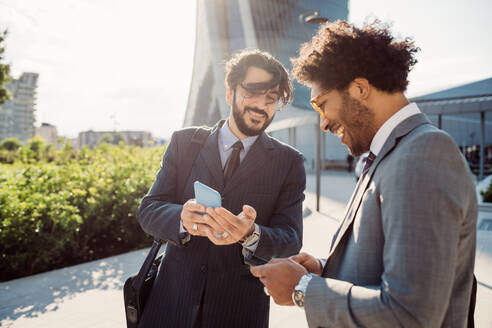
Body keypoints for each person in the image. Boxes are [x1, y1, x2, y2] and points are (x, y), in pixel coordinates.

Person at [251, 20, 477, 327]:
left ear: (359, 89)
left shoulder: (423, 154)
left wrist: (302, 289)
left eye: (321, 104)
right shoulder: (392, 153)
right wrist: (323, 269)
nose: (323, 123)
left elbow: (411, 314)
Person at [136, 49, 306, 328]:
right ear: (230, 93)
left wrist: (251, 235)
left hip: (238, 312)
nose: (260, 106)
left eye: (271, 99)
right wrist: (182, 218)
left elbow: (290, 239)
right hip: (170, 307)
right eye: (252, 93)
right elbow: (149, 210)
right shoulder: (184, 143)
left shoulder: (289, 162)